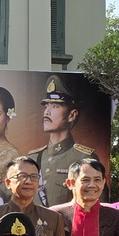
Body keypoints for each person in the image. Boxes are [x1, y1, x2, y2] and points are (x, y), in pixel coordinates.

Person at [30, 75, 91, 208]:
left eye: (55, 106)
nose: (47, 112)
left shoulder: (84, 158)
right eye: (46, 106)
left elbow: (97, 204)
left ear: (72, 115)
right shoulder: (34, 157)